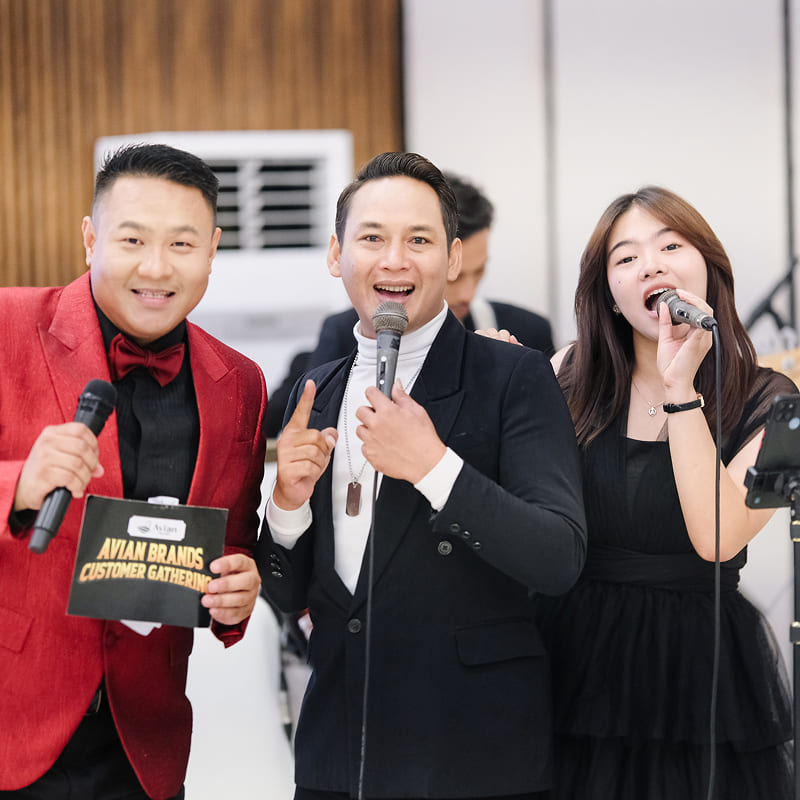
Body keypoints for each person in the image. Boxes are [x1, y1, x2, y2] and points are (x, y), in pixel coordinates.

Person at [256, 151, 587, 800]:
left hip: (471, 753)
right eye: (372, 238)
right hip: (338, 751)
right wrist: (288, 505)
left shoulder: (514, 376)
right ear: (336, 254)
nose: (394, 260)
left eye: (419, 240)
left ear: (454, 258)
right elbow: (287, 591)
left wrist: (434, 467)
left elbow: (558, 557)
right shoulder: (315, 388)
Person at [0, 144, 267, 799]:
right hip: (12, 723)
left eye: (182, 243)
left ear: (212, 249)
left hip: (141, 745)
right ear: (91, 239)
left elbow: (230, 540)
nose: (156, 267)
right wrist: (17, 485)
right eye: (132, 239)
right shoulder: (7, 325)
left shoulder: (240, 383)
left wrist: (237, 590)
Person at [540, 186, 794, 798]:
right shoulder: (567, 374)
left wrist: (682, 390)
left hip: (697, 662)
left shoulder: (773, 401)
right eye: (625, 258)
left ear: (709, 266)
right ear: (609, 293)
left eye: (670, 246)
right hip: (571, 652)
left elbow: (718, 538)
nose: (649, 265)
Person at [301, 172, 553, 377]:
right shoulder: (342, 334)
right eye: (373, 238)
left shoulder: (527, 331)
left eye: (478, 272)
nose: (467, 294)